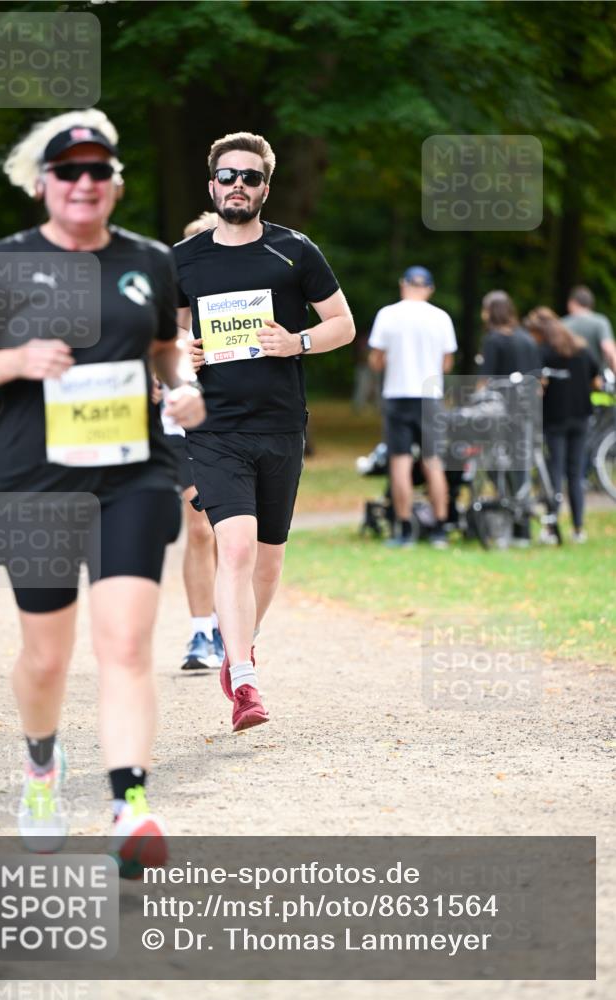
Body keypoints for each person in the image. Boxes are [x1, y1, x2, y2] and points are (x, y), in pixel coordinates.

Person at [0, 110, 205, 867]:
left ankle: (129, 806)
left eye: (99, 171)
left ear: (116, 185)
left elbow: (166, 348)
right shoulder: (2, 264)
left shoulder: (151, 261)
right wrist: (16, 360)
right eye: (70, 172)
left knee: (124, 643)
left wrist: (184, 387)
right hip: (34, 486)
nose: (84, 183)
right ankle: (41, 764)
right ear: (43, 185)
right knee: (47, 658)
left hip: (133, 476)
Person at [173, 131, 354, 732]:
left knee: (269, 562)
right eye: (228, 176)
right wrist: (183, 356)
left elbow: (344, 325)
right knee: (237, 546)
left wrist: (295, 341)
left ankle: (238, 645)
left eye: (250, 178)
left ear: (265, 189)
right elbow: (165, 341)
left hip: (280, 424)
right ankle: (244, 678)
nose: (238, 186)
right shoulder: (185, 260)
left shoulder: (295, 251)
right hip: (215, 428)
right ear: (212, 185)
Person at [162, 211, 224, 670]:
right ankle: (201, 633)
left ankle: (230, 624)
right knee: (200, 527)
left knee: (233, 533)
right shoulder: (166, 311)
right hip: (182, 431)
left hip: (235, 429)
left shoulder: (239, 307)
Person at [368, 266, 457, 549]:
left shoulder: (388, 314)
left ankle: (404, 528)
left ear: (402, 284)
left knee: (400, 463)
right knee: (433, 461)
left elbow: (376, 359)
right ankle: (440, 528)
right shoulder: (441, 317)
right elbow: (447, 362)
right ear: (430, 288)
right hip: (430, 395)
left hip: (397, 394)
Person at [524, 307, 599, 542]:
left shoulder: (543, 352)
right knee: (575, 475)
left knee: (554, 473)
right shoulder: (581, 348)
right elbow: (595, 381)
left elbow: (538, 385)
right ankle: (578, 529)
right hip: (581, 417)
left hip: (555, 419)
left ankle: (551, 528)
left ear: (539, 331)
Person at [478, 290, 541, 547]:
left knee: (495, 466)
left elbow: (483, 382)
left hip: (500, 415)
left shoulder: (493, 341)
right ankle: (522, 530)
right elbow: (539, 382)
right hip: (526, 413)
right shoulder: (526, 339)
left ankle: (506, 518)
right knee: (521, 469)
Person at [563, 285, 616, 373]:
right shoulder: (600, 321)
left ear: (572, 303)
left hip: (570, 379)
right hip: (596, 380)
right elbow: (608, 348)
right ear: (590, 303)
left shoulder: (562, 324)